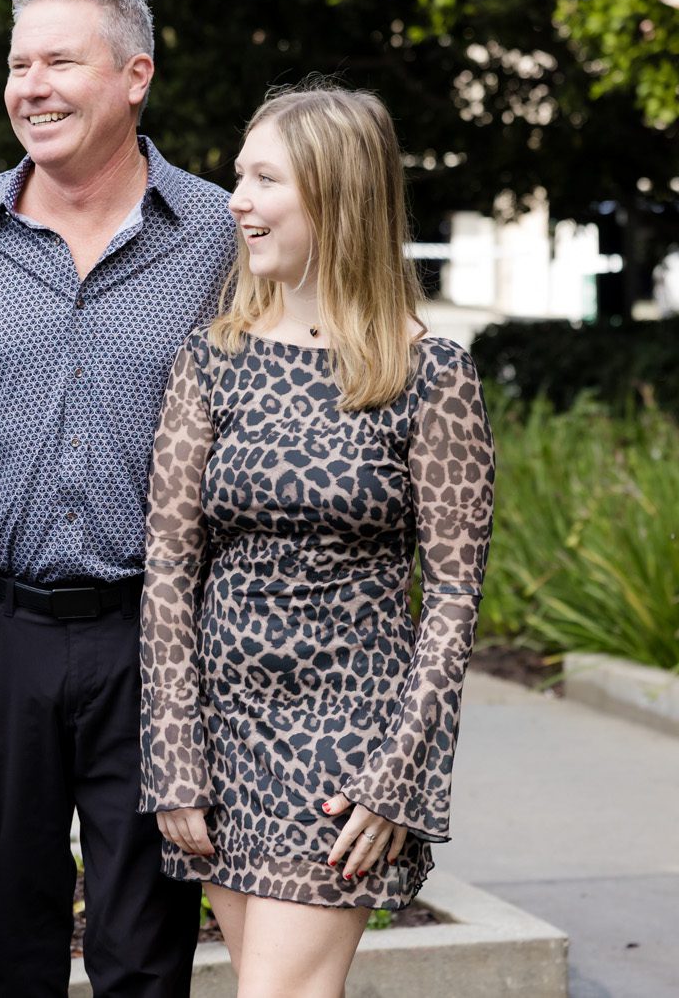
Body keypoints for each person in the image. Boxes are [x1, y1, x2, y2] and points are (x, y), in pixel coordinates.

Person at [138, 82, 496, 998]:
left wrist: (400, 775)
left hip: (347, 743)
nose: (236, 200)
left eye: (264, 179)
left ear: (335, 195)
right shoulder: (211, 357)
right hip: (226, 736)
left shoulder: (429, 373)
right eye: (237, 176)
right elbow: (171, 567)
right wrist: (176, 756)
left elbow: (454, 592)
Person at [0, 0, 236, 997]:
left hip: (153, 637)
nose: (31, 86)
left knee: (144, 946)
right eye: (18, 64)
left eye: (59, 61)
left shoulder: (216, 232)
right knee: (9, 936)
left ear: (134, 77)